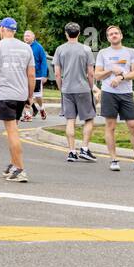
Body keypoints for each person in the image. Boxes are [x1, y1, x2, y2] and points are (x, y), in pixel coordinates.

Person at [94, 25, 134, 173]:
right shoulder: (103, 53)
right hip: (109, 93)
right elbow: (97, 75)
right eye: (110, 34)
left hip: (126, 94)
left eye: (116, 33)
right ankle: (114, 160)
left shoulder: (130, 52)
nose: (113, 36)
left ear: (121, 36)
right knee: (110, 126)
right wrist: (110, 71)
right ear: (108, 38)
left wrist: (121, 77)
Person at [0, 17, 33, 183]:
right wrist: (30, 96)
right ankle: (13, 164)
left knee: (12, 132)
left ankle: (20, 169)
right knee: (14, 129)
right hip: (21, 93)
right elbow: (31, 74)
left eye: (0, 28)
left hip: (6, 93)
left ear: (3, 29)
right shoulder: (26, 48)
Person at [52, 22, 97, 163]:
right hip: (83, 88)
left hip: (67, 89)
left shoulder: (60, 49)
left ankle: (71, 152)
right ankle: (84, 148)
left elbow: (57, 74)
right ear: (79, 33)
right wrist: (92, 87)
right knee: (89, 119)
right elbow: (90, 73)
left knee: (70, 120)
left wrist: (61, 88)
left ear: (66, 33)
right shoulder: (86, 49)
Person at [24, 29, 49, 121]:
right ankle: (27, 114)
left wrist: (44, 75)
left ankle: (42, 108)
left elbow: (44, 61)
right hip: (24, 75)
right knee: (25, 95)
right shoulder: (22, 47)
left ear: (33, 37)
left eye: (28, 36)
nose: (26, 37)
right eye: (25, 35)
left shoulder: (38, 47)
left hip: (37, 75)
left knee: (37, 96)